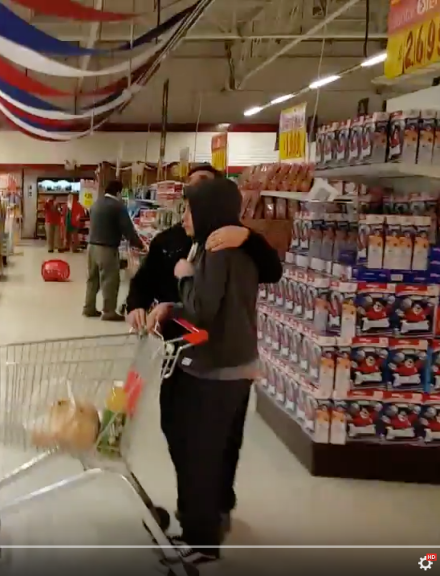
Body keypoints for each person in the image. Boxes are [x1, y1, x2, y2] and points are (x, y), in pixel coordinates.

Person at [126, 163, 282, 559]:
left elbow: (201, 312)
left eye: (190, 208)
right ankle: (201, 525)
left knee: (200, 454)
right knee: (197, 445)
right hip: (216, 363)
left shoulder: (219, 250)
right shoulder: (223, 247)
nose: (183, 217)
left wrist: (182, 281)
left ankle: (202, 540)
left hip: (213, 368)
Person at [84, 181, 144, 321]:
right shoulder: (117, 206)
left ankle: (88, 307)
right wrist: (140, 245)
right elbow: (127, 229)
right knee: (110, 280)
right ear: (118, 192)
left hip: (91, 247)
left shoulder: (96, 204)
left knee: (92, 279)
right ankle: (109, 311)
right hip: (107, 248)